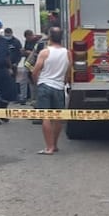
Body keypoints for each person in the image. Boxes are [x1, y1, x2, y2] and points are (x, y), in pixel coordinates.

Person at [31, 26, 71, 154]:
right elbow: (69, 71)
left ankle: (49, 147)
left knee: (46, 117)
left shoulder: (45, 52)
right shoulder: (67, 53)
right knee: (57, 118)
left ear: (50, 37)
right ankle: (54, 144)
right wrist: (65, 81)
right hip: (59, 87)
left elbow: (35, 70)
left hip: (45, 85)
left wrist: (37, 83)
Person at [17, 29, 41, 103]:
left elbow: (39, 53)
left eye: (28, 38)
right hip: (28, 63)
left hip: (35, 64)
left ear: (30, 35)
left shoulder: (38, 41)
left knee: (33, 81)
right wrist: (24, 52)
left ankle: (34, 98)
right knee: (23, 80)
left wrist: (30, 52)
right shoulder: (27, 41)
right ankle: (23, 97)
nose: (27, 39)